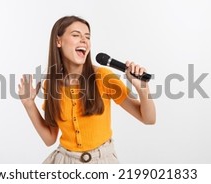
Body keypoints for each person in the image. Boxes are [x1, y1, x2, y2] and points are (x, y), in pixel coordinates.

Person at [18, 16, 156, 164]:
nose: (84, 40)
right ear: (58, 41)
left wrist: (143, 89)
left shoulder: (103, 77)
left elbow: (148, 119)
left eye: (87, 37)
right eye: (76, 35)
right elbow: (50, 138)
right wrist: (29, 105)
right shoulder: (51, 85)